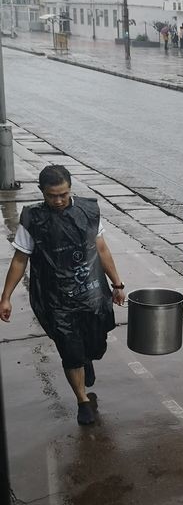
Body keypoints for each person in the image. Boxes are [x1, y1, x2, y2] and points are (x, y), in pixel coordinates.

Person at [0, 165, 126, 426]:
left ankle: (86, 358)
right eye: (51, 196)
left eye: (63, 194)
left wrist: (117, 283)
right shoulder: (33, 219)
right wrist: (6, 297)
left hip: (90, 291)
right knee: (70, 351)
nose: (58, 201)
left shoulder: (89, 211)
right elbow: (20, 260)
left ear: (71, 188)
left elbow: (101, 249)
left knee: (95, 343)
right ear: (41, 192)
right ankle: (82, 400)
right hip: (55, 298)